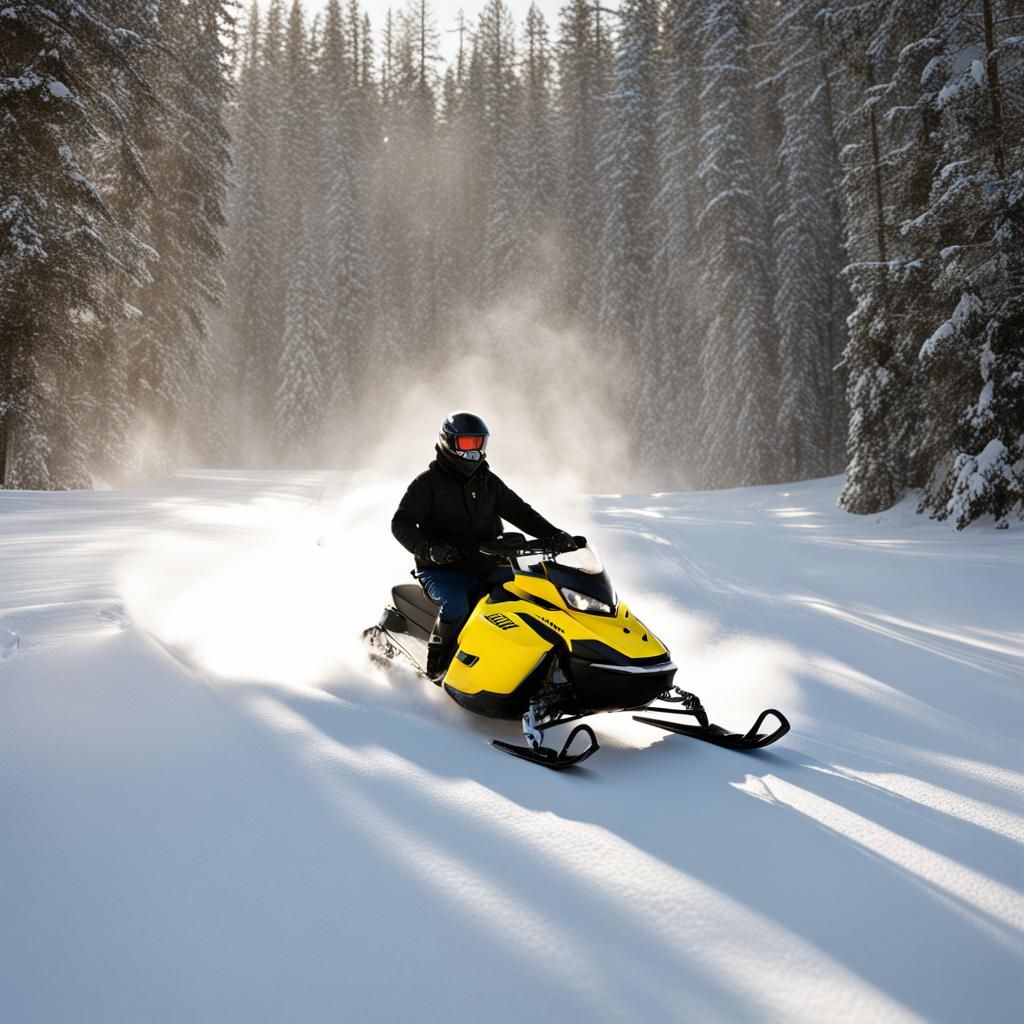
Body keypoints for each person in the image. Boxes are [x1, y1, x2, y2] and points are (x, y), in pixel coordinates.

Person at [392, 411, 571, 679]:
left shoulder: (488, 482)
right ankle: (438, 666)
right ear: (448, 443)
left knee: (529, 594)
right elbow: (401, 523)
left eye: (479, 443)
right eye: (466, 444)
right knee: (456, 606)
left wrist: (555, 535)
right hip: (441, 569)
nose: (474, 452)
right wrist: (429, 549)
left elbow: (521, 512)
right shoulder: (427, 484)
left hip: (485, 564)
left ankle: (527, 665)